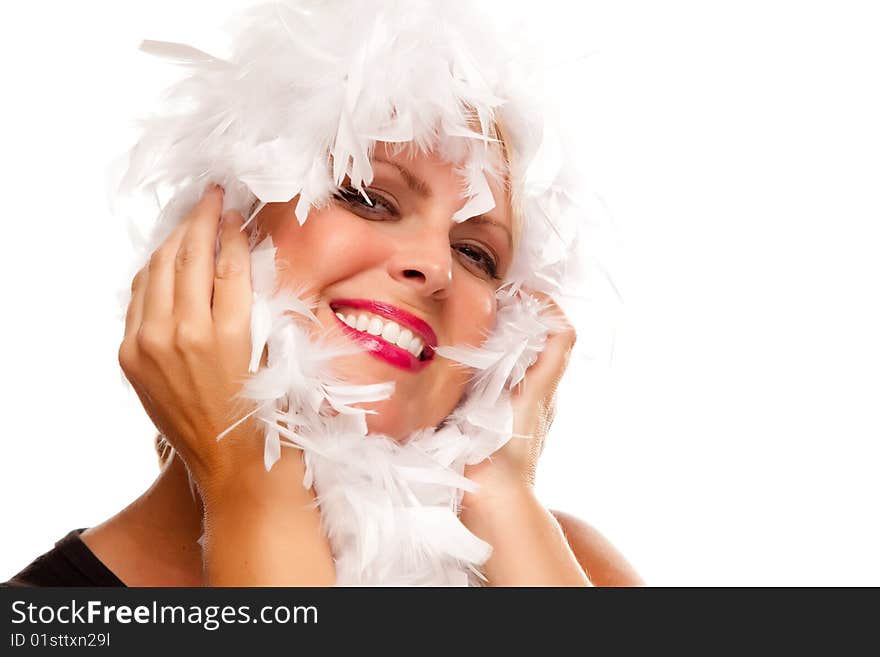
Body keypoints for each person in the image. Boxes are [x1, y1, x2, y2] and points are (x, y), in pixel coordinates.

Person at [3, 0, 642, 587]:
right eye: (367, 197)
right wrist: (254, 484)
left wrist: (501, 492)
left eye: (476, 254)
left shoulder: (574, 571)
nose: (435, 267)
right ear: (216, 234)